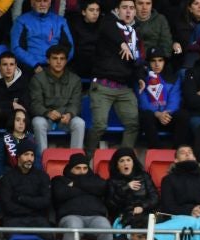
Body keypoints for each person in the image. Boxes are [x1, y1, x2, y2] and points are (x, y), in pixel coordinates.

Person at [85, 0, 143, 154]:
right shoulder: (107, 24)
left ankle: (124, 159)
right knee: (99, 125)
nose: (128, 11)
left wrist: (140, 77)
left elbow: (137, 60)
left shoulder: (135, 33)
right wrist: (122, 44)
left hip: (124, 88)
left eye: (131, 8)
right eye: (124, 8)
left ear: (135, 12)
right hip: (103, 86)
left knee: (133, 124)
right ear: (117, 11)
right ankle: (87, 157)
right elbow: (107, 27)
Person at [156, 144, 200, 240]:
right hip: (178, 218)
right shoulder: (168, 180)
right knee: (192, 222)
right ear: (176, 160)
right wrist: (190, 211)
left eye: (190, 152)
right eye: (182, 152)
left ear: (194, 158)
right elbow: (167, 207)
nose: (187, 153)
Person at [0, 137, 53, 240]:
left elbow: (45, 202)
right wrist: (33, 208)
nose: (30, 159)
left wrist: (21, 199)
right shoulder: (7, 178)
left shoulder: (42, 176)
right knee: (10, 237)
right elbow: (7, 205)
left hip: (38, 220)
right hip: (14, 220)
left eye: (32, 155)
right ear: (18, 156)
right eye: (26, 154)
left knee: (49, 236)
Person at [52, 152, 113, 240]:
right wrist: (89, 188)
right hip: (70, 216)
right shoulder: (59, 180)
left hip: (96, 217)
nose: (82, 171)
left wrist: (75, 184)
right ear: (70, 168)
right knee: (73, 228)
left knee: (105, 228)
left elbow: (102, 187)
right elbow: (60, 194)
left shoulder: (96, 179)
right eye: (78, 168)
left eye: (85, 168)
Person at [29, 45, 84, 153]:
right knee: (37, 122)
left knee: (79, 123)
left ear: (66, 61)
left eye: (62, 59)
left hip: (66, 119)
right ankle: (42, 162)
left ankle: (76, 161)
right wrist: (47, 112)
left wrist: (69, 114)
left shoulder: (75, 80)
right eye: (55, 58)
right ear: (48, 60)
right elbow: (35, 104)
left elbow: (76, 103)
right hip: (46, 118)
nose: (58, 62)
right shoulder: (38, 78)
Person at [138, 47, 190, 149]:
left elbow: (175, 100)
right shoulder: (142, 78)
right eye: (153, 61)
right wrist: (157, 113)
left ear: (164, 62)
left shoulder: (173, 78)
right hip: (152, 117)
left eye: (160, 60)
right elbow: (142, 101)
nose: (157, 64)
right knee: (146, 115)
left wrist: (166, 113)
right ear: (148, 62)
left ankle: (178, 150)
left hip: (168, 116)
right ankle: (156, 149)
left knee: (183, 115)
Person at [11, 0, 74, 73]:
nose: (42, 4)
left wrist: (58, 64)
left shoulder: (60, 21)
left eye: (45, 1)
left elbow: (69, 48)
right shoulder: (21, 21)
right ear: (32, 3)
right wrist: (35, 65)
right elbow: (16, 48)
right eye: (38, 1)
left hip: (55, 68)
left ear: (50, 3)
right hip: (30, 68)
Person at [0, 51, 32, 134]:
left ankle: (25, 146)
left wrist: (4, 105)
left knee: (23, 117)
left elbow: (25, 105)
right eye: (5, 64)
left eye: (11, 64)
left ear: (15, 66)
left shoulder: (23, 80)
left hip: (14, 116)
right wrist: (12, 104)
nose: (8, 68)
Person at [106, 147, 159, 226]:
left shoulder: (144, 176)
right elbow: (111, 206)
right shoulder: (112, 181)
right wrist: (125, 188)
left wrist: (142, 206)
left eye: (128, 160)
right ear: (117, 165)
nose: (125, 163)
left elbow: (155, 198)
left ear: (133, 162)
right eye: (122, 161)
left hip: (146, 213)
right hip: (126, 217)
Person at [0, 108, 39, 179]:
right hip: (10, 177)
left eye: (24, 120)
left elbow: (37, 162)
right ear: (12, 121)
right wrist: (2, 177)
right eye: (18, 120)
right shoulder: (3, 140)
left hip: (29, 177)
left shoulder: (31, 140)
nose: (21, 123)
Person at [67, 0, 102, 80]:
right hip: (78, 63)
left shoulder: (102, 23)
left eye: (97, 10)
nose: (95, 13)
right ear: (83, 12)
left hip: (97, 66)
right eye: (91, 10)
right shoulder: (75, 24)